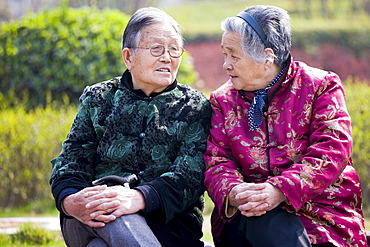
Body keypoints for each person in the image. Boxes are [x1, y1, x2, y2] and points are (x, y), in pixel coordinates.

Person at [203, 5, 367, 247]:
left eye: (233, 55)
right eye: (224, 54)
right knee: (266, 222)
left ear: (267, 56)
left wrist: (279, 190)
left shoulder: (320, 86)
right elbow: (217, 159)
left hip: (320, 213)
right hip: (249, 214)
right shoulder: (223, 100)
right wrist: (236, 193)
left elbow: (332, 149)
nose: (226, 64)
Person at [50, 7, 211, 247]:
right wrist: (70, 201)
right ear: (128, 57)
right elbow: (70, 161)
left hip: (168, 228)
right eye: (156, 49)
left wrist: (139, 198)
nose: (167, 57)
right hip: (89, 216)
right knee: (111, 206)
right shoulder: (98, 98)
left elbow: (190, 176)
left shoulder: (195, 107)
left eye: (174, 49)